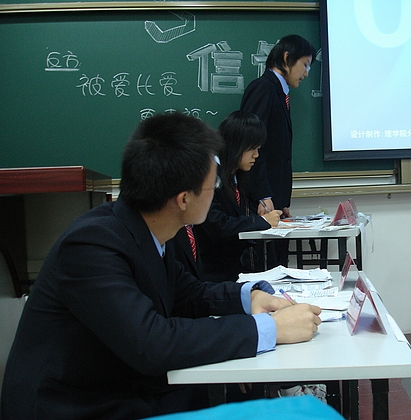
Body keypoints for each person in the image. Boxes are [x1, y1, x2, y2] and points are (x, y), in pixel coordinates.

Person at [1, 113, 321, 420]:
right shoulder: (92, 245)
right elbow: (152, 343)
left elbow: (187, 293)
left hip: (126, 390)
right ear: (183, 199)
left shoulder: (148, 228)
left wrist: (249, 298)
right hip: (77, 407)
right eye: (212, 185)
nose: (215, 193)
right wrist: (270, 329)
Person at [240, 34, 316, 266]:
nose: (306, 73)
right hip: (260, 202)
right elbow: (251, 146)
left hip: (274, 202)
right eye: (305, 64)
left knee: (280, 266)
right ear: (286, 58)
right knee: (268, 268)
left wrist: (281, 202)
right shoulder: (263, 89)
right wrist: (263, 196)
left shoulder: (280, 93)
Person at [182, 111, 282, 282]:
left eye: (258, 149)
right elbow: (218, 225)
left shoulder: (237, 176)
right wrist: (263, 221)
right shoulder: (208, 176)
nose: (256, 155)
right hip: (212, 274)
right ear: (238, 145)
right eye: (253, 149)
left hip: (233, 269)